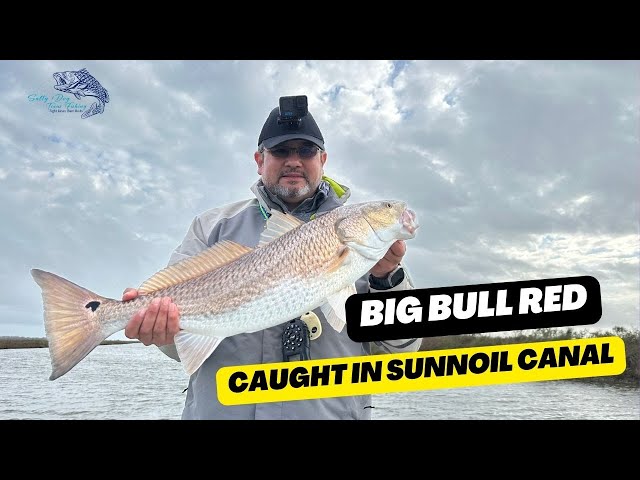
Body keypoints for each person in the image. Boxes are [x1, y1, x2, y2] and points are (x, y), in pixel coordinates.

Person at [122, 97, 422, 419]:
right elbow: (176, 349)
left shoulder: (368, 253)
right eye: (280, 151)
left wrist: (387, 279)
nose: (294, 161)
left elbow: (403, 348)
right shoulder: (211, 227)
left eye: (305, 151)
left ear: (323, 159)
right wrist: (159, 332)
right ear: (259, 160)